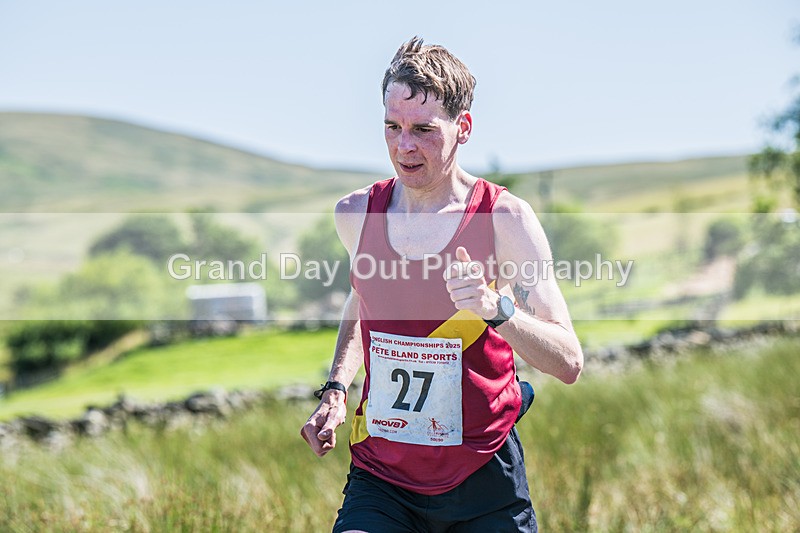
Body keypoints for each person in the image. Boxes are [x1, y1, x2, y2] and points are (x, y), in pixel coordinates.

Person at [300, 36, 583, 533]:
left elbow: (568, 361)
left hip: (482, 475)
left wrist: (496, 307)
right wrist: (336, 389)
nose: (404, 146)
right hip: (381, 475)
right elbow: (362, 302)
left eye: (423, 130)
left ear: (463, 127)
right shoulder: (355, 214)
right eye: (392, 126)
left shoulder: (504, 219)